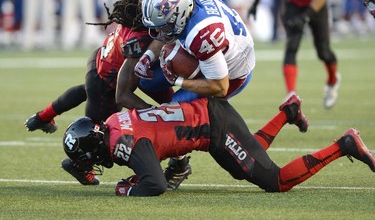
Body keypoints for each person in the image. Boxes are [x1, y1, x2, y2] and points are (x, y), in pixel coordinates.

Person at [62, 94, 374, 197]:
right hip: (210, 120)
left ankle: (345, 145)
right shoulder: (114, 122)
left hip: (214, 127)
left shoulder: (121, 143)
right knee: (244, 168)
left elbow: (154, 184)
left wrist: (127, 189)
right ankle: (287, 112)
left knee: (275, 181)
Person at [25, 0, 174, 185]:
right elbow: (124, 94)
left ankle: (42, 116)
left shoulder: (134, 20)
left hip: (99, 62)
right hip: (108, 81)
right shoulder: (139, 38)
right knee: (101, 135)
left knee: (87, 90)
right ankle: (78, 165)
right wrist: (155, 114)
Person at [247, 0, 341, 109]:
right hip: (292, 2)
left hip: (315, 4)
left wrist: (306, 16)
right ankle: (291, 95)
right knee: (291, 46)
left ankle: (333, 80)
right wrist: (255, 1)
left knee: (323, 52)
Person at [135, 0, 255, 104]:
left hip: (232, 73)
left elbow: (220, 87)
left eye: (163, 27)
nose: (159, 33)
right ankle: (172, 110)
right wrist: (148, 56)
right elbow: (166, 31)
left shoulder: (202, 32)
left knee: (175, 111)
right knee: (147, 83)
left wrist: (177, 80)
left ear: (179, 16)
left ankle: (194, 118)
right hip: (211, 48)